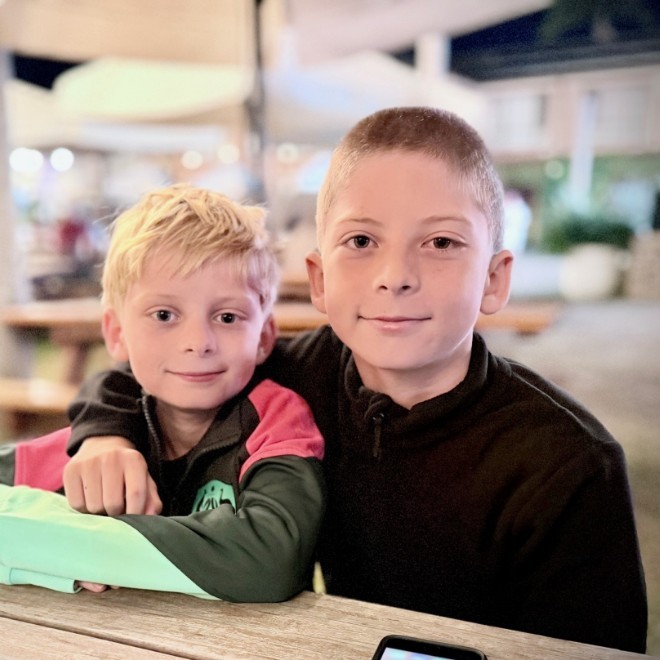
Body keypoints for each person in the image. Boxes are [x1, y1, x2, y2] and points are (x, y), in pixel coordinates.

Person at [63, 108, 646, 652]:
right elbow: (149, 373)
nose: (396, 277)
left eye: (441, 242)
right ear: (319, 279)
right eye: (361, 241)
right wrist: (105, 436)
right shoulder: (293, 377)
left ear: (494, 279)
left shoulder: (567, 463)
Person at [0, 184, 325, 601]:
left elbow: (270, 559)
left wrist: (90, 549)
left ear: (263, 337)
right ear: (117, 333)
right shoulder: (107, 435)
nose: (198, 342)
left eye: (228, 317)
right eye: (165, 315)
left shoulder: (277, 421)